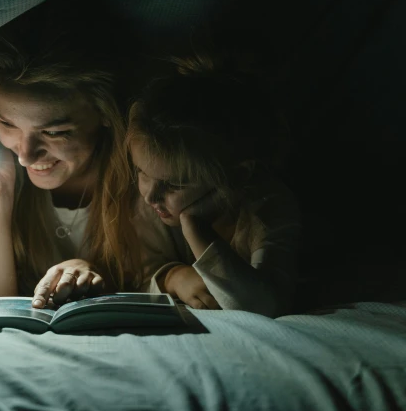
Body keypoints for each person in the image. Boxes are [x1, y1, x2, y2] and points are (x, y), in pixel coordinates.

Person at [0, 12, 151, 308]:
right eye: (9, 125)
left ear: (104, 113)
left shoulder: (145, 179)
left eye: (54, 132)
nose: (25, 155)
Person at [126, 47, 300, 317]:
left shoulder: (267, 207)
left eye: (176, 184)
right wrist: (171, 277)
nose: (150, 195)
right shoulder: (151, 204)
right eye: (142, 172)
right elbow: (135, 277)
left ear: (237, 176)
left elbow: (264, 307)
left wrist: (196, 229)